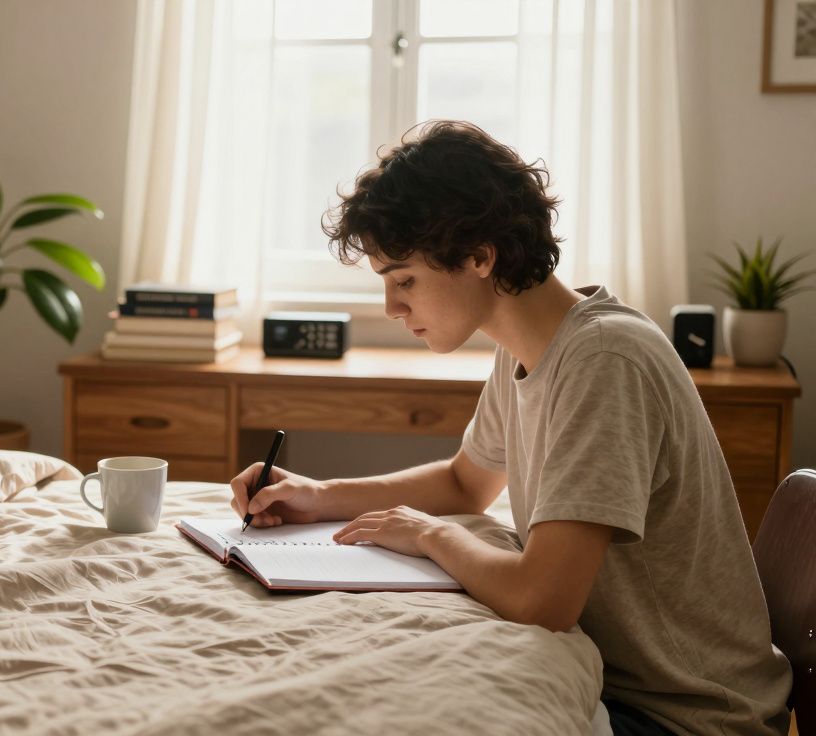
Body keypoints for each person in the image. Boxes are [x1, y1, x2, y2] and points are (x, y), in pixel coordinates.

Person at [229, 121, 791, 736]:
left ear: (479, 255)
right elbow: (466, 484)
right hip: (614, 682)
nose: (392, 307)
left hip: (688, 717)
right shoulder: (528, 348)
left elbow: (541, 600)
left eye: (404, 280)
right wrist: (318, 495)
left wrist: (430, 536)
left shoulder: (605, 358)